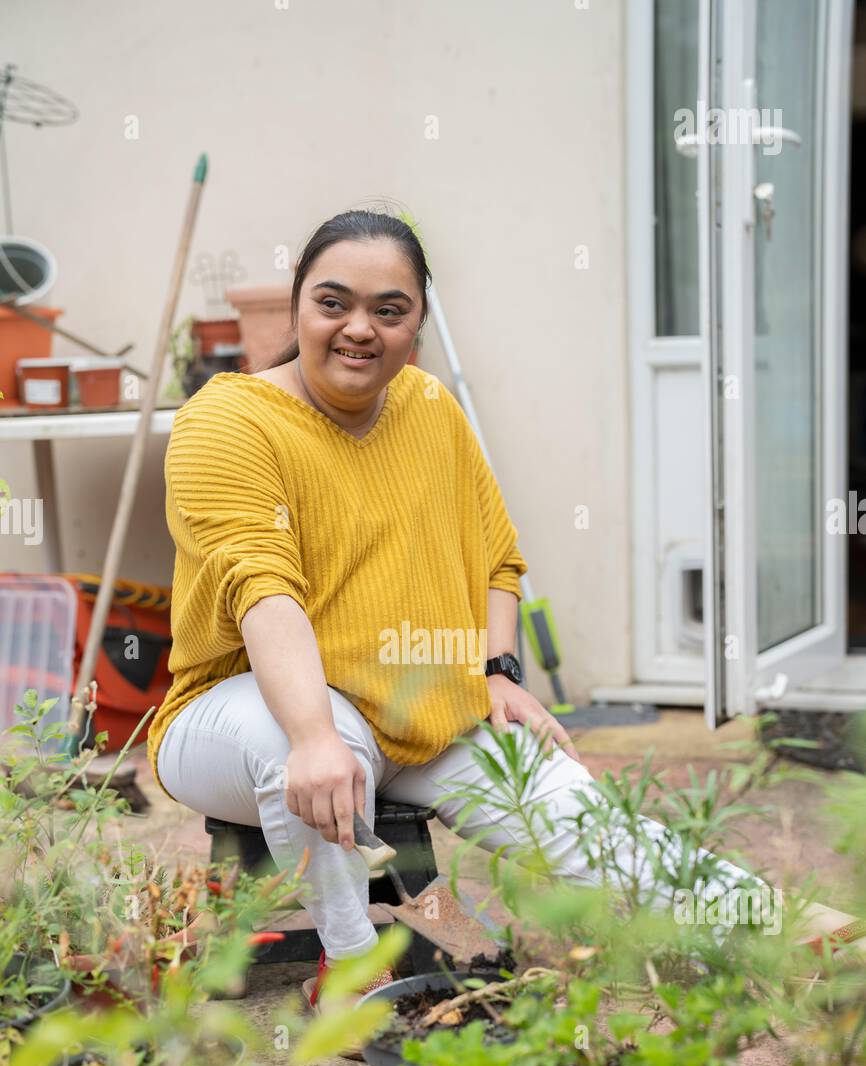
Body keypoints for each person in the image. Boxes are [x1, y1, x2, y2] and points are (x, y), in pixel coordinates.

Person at [147, 208, 767, 1014]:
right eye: (332, 303)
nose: (358, 329)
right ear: (299, 305)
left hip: (414, 712)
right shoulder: (226, 421)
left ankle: (767, 921)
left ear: (418, 324)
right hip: (233, 719)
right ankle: (355, 968)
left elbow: (497, 559)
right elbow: (263, 589)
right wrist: (309, 735)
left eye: (389, 310)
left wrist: (498, 672)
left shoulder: (431, 409)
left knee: (567, 811)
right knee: (318, 736)